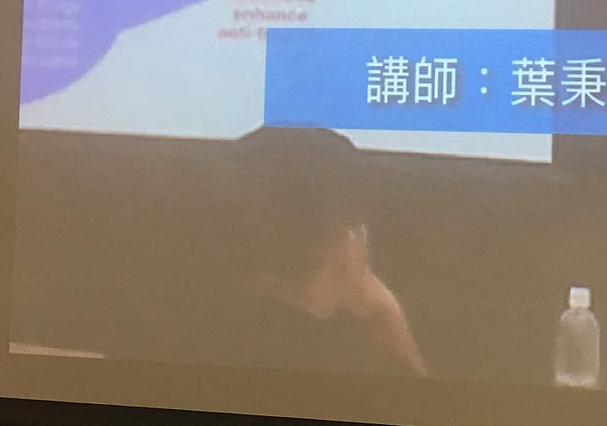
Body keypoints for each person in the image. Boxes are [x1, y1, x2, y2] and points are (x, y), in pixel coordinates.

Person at [176, 125, 429, 377]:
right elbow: (418, 403)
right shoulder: (349, 373)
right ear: (343, 245)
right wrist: (388, 319)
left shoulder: (181, 339)